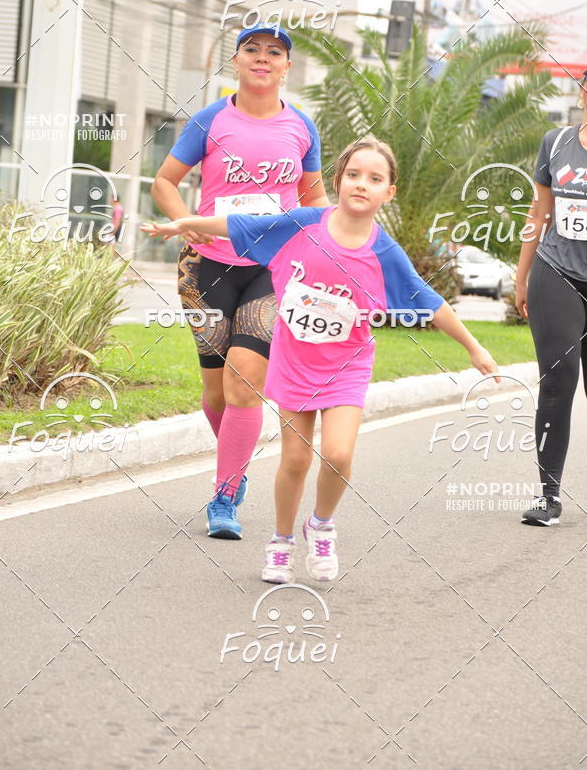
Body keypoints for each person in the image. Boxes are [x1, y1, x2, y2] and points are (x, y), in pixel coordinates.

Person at [142, 135, 499, 582]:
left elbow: (426, 298)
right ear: (339, 180)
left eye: (374, 178)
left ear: (389, 192)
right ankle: (281, 541)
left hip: (347, 365)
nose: (361, 184)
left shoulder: (384, 251)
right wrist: (185, 224)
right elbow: (242, 226)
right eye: (353, 175)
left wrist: (473, 346)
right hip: (294, 360)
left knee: (338, 454)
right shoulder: (305, 223)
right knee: (295, 459)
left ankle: (322, 525)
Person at [150, 22, 329, 540]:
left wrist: (324, 242)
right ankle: (238, 467)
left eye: (275, 52)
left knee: (244, 379)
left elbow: (315, 202)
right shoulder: (210, 120)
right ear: (237, 61)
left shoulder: (301, 128)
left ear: (286, 67)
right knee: (215, 391)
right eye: (252, 49)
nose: (263, 58)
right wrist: (185, 222)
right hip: (206, 267)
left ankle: (224, 495)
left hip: (272, 270)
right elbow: (165, 180)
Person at [516, 69, 587, 527]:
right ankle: (548, 497)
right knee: (558, 385)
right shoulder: (557, 142)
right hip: (557, 272)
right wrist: (521, 275)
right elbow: (539, 211)